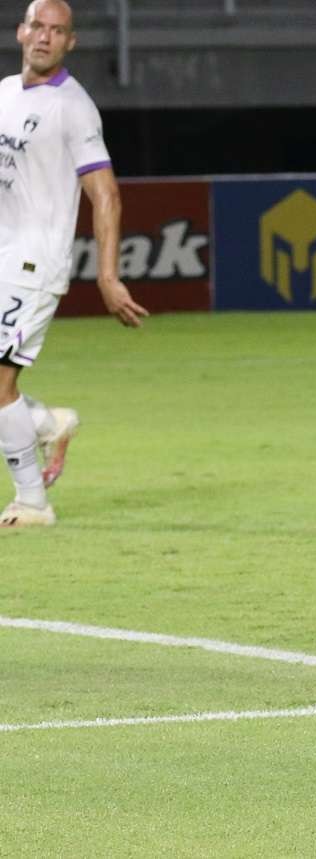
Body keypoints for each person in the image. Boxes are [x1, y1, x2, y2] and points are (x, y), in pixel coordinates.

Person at [1, 0, 147, 529]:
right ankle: (44, 422)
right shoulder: (4, 95)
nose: (44, 36)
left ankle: (33, 500)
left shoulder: (73, 107)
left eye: (57, 30)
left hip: (34, 265)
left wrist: (108, 274)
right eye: (37, 25)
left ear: (70, 43)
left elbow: (105, 195)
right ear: (21, 31)